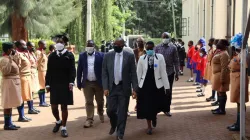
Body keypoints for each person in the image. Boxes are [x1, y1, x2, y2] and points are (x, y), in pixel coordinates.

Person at [102, 38, 138, 140]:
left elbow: (133, 74)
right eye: (114, 44)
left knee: (122, 112)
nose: (115, 46)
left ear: (122, 46)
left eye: (117, 45)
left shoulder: (129, 56)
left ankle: (120, 133)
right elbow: (104, 72)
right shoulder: (108, 56)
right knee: (110, 110)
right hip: (111, 87)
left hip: (124, 87)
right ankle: (114, 124)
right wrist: (105, 87)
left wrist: (135, 89)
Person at [45, 34, 76, 137]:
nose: (59, 44)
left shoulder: (69, 55)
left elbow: (72, 70)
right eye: (57, 42)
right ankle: (58, 121)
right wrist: (47, 84)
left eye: (61, 42)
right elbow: (48, 71)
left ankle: (64, 127)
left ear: (65, 44)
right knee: (54, 107)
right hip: (54, 84)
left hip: (65, 84)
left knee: (64, 106)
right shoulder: (52, 56)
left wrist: (71, 82)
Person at [137, 41, 170, 135]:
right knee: (147, 106)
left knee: (155, 105)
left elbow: (163, 72)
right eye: (148, 49)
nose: (149, 50)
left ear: (154, 49)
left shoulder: (160, 57)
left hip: (157, 85)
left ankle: (154, 117)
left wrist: (167, 87)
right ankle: (149, 126)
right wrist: (136, 87)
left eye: (151, 49)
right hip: (145, 85)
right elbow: (138, 73)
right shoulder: (142, 58)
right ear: (145, 49)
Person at [77, 40, 104, 128]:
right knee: (89, 101)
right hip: (87, 82)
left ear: (94, 46)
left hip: (98, 82)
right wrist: (78, 82)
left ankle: (100, 112)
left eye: (91, 46)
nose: (89, 47)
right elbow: (79, 70)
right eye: (88, 46)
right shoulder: (82, 56)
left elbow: (104, 70)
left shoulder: (101, 55)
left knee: (100, 101)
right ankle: (89, 119)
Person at [154, 32, 179, 117]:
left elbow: (176, 60)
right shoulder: (157, 47)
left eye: (167, 37)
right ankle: (158, 108)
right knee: (159, 90)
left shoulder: (173, 48)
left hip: (169, 72)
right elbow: (153, 59)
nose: (165, 38)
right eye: (164, 37)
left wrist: (177, 72)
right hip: (159, 73)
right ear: (161, 38)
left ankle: (167, 109)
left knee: (168, 91)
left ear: (169, 38)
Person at [227, 34, 249, 131]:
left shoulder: (243, 55)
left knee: (240, 101)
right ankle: (238, 122)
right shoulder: (238, 55)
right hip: (237, 79)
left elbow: (245, 67)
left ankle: (240, 124)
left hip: (240, 79)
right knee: (238, 101)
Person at [0, 42, 23, 130]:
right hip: (8, 83)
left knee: (11, 103)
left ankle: (10, 123)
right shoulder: (4, 59)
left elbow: (18, 67)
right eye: (13, 48)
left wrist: (15, 58)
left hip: (14, 83)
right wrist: (10, 59)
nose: (14, 50)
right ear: (9, 50)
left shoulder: (10, 58)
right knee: (8, 104)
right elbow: (5, 71)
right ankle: (7, 124)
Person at [15, 40, 37, 121]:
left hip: (28, 76)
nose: (25, 46)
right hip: (22, 77)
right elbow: (17, 67)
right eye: (23, 45)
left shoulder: (24, 53)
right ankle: (21, 116)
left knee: (27, 95)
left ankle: (27, 112)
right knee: (21, 97)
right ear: (19, 46)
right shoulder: (17, 54)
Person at [211, 39, 230, 115]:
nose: (217, 44)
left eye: (219, 43)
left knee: (222, 92)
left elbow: (224, 68)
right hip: (217, 75)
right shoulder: (221, 52)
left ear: (223, 45)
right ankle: (220, 108)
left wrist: (222, 79)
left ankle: (222, 110)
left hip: (220, 75)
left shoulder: (224, 54)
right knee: (219, 92)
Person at [26, 42, 41, 113]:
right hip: (29, 73)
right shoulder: (26, 54)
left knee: (32, 91)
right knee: (29, 91)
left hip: (34, 72)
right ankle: (30, 108)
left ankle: (32, 107)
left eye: (34, 46)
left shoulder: (32, 53)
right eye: (32, 46)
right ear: (28, 46)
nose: (33, 47)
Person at [36, 40, 50, 107]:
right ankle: (41, 102)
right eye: (44, 44)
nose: (46, 45)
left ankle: (44, 101)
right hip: (41, 71)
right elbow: (37, 62)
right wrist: (41, 56)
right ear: (40, 45)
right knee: (41, 86)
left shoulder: (42, 52)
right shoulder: (38, 52)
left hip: (45, 70)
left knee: (44, 86)